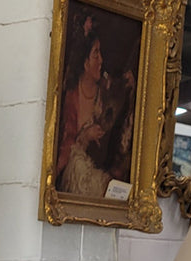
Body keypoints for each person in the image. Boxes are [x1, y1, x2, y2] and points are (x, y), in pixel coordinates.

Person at [56, 15, 136, 197]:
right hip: (78, 175)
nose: (101, 60)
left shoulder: (105, 88)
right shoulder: (72, 97)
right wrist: (85, 137)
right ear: (85, 63)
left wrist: (130, 85)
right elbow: (66, 148)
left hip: (102, 172)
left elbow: (119, 98)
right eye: (96, 54)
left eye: (100, 53)